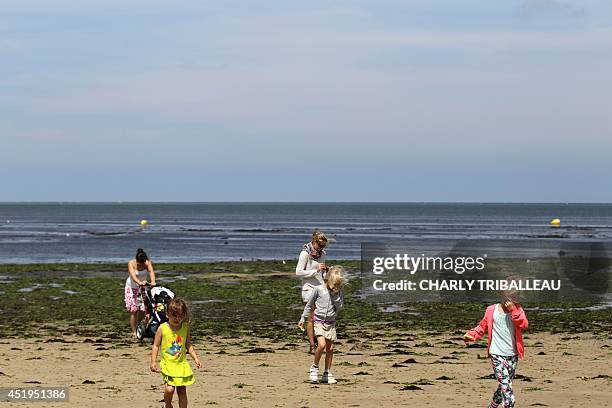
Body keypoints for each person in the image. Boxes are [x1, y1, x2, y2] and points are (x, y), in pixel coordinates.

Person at [463, 281, 529, 408]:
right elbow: (482, 327)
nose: (510, 299)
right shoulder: (491, 310)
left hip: (513, 354)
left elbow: (524, 324)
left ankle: (492, 406)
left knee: (504, 385)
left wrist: (513, 310)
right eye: (508, 295)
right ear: (502, 294)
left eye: (514, 296)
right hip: (496, 354)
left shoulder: (518, 310)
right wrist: (471, 335)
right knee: (506, 386)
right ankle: (509, 405)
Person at [151, 298, 202, 408]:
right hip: (168, 364)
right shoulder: (162, 328)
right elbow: (155, 345)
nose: (177, 318)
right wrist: (153, 361)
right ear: (168, 314)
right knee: (169, 389)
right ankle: (168, 405)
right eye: (175, 315)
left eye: (180, 316)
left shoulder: (185, 328)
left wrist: (196, 358)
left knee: (182, 391)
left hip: (181, 364)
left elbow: (188, 345)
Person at [298, 265, 345, 384]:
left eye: (338, 286)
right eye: (334, 285)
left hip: (331, 323)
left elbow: (339, 308)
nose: (336, 288)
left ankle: (327, 373)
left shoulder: (338, 293)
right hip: (319, 322)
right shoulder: (318, 289)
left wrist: (336, 297)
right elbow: (309, 305)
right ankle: (314, 367)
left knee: (330, 348)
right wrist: (303, 319)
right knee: (322, 345)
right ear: (328, 280)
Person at [296, 230, 329, 353]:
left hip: (320, 287)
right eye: (319, 245)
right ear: (314, 241)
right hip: (308, 287)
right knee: (311, 316)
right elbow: (298, 272)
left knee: (321, 316)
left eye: (323, 246)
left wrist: (325, 270)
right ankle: (312, 345)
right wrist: (314, 271)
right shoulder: (305, 253)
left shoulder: (323, 254)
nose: (321, 248)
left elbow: (322, 272)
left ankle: (318, 340)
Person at [125, 248, 156, 338]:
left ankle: (140, 327)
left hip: (143, 288)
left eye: (143, 263)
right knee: (134, 310)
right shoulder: (131, 263)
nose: (142, 265)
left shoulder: (147, 262)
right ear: (137, 260)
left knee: (143, 309)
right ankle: (134, 331)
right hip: (132, 287)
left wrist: (153, 282)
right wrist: (139, 282)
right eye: (140, 263)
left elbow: (151, 272)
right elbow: (133, 276)